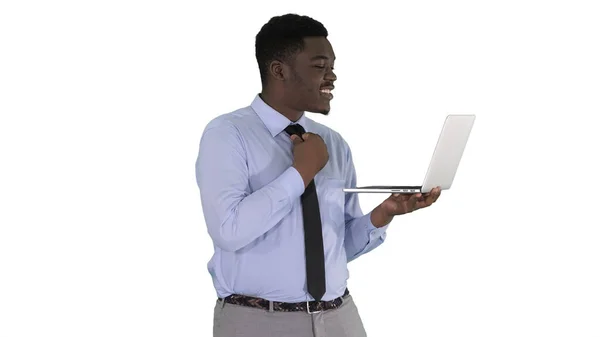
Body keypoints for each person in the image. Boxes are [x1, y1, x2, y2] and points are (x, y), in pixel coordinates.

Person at [195, 13, 442, 337]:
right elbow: (228, 230)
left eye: (332, 67)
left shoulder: (334, 144)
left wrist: (383, 215)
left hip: (340, 317)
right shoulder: (227, 134)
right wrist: (301, 172)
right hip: (257, 322)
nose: (332, 77)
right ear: (279, 70)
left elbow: (336, 247)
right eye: (319, 66)